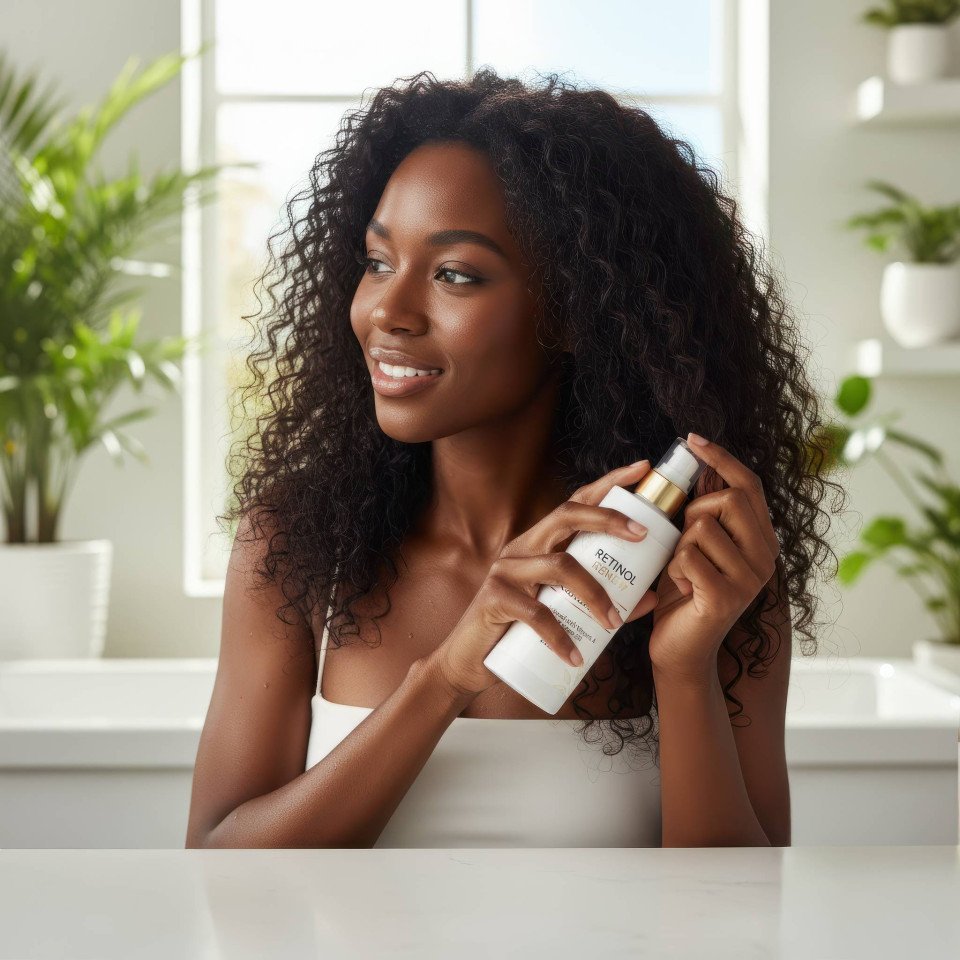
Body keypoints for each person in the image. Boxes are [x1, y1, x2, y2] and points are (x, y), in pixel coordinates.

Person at [185, 69, 845, 849]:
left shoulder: (704, 570)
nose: (386, 313)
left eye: (454, 275)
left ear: (573, 311)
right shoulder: (294, 551)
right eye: (376, 262)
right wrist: (448, 674)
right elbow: (217, 864)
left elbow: (743, 916)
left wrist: (684, 670)